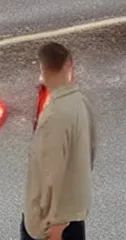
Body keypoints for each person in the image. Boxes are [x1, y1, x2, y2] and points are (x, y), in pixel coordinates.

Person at [21, 42, 96, 240]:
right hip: (74, 217)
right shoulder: (81, 102)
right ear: (69, 66)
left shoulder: (54, 116)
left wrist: (56, 227)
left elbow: (51, 176)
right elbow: (90, 153)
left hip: (52, 227)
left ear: (42, 69)